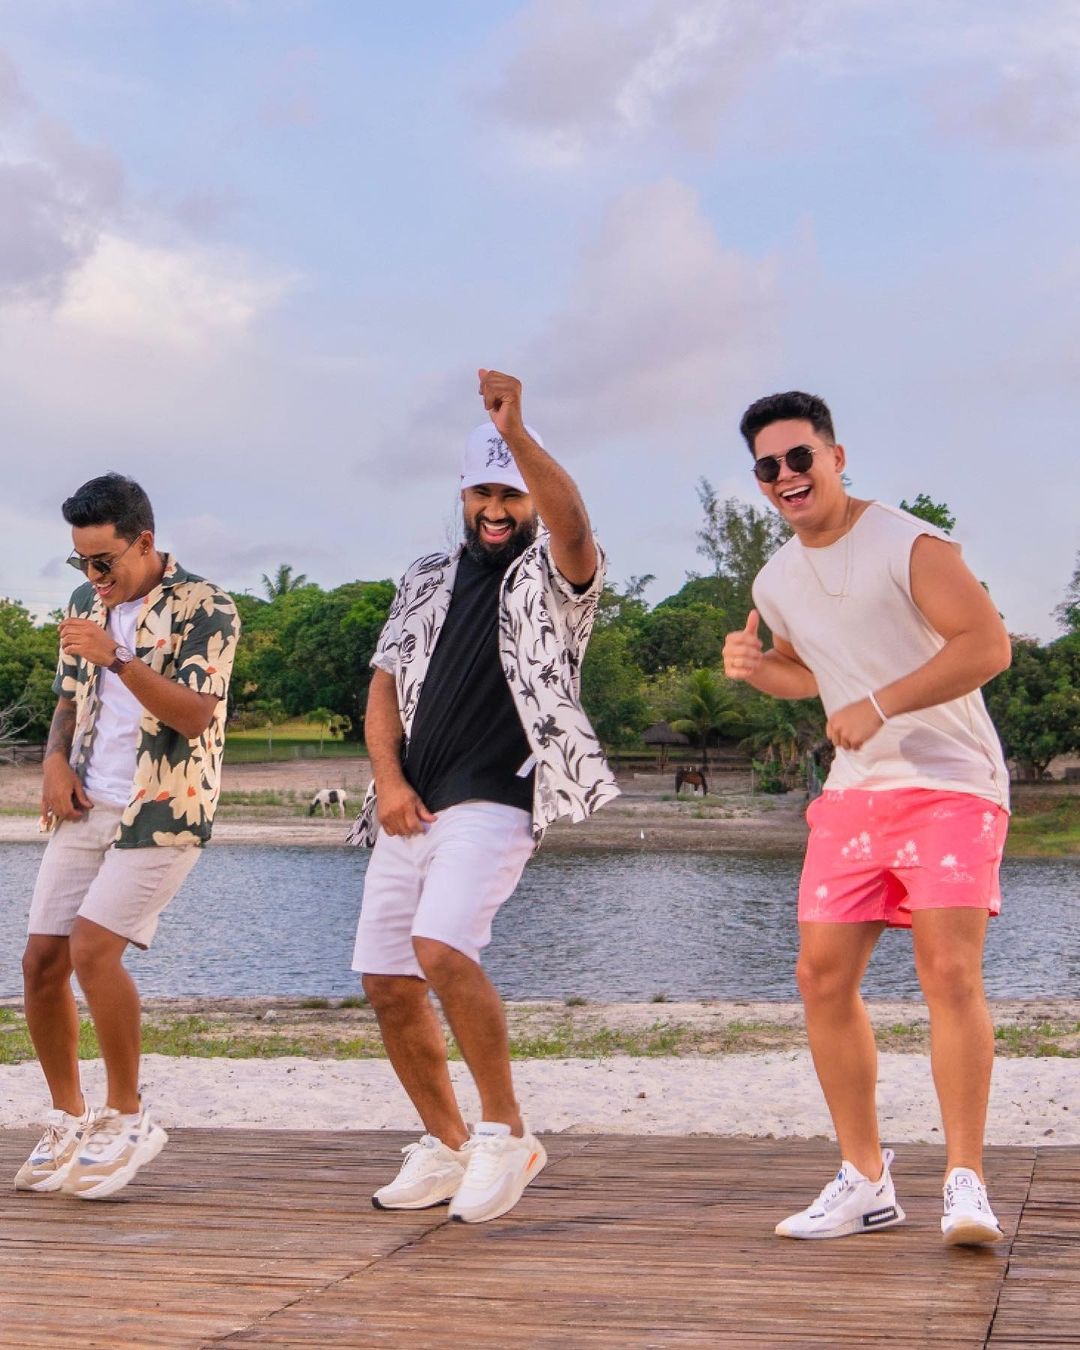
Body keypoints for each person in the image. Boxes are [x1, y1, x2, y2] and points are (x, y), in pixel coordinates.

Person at [723, 392, 1012, 1247]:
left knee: (947, 972)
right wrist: (759, 668)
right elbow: (809, 673)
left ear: (836, 457)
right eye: (768, 467)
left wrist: (880, 705)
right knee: (820, 976)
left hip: (953, 784)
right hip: (857, 795)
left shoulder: (909, 543)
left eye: (799, 457)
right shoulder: (775, 580)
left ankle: (965, 1181)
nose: (786, 476)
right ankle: (865, 1180)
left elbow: (987, 646)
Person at [347, 369, 618, 1224]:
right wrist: (389, 782)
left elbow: (574, 526)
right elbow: (384, 684)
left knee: (440, 946)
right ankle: (449, 1143)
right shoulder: (426, 575)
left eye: (511, 494)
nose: (496, 509)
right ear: (463, 496)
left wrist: (517, 431)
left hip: (499, 794)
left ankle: (508, 1134)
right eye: (483, 493)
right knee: (386, 979)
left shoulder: (556, 575)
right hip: (411, 801)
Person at [17, 474, 239, 1200]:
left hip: (163, 808)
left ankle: (128, 1116)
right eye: (81, 561)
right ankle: (69, 1118)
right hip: (86, 802)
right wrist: (54, 763)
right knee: (41, 962)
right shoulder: (86, 603)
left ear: (144, 541)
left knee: (92, 950)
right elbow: (66, 698)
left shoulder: (207, 606)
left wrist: (116, 654)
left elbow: (194, 715)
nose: (93, 576)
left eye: (104, 561)